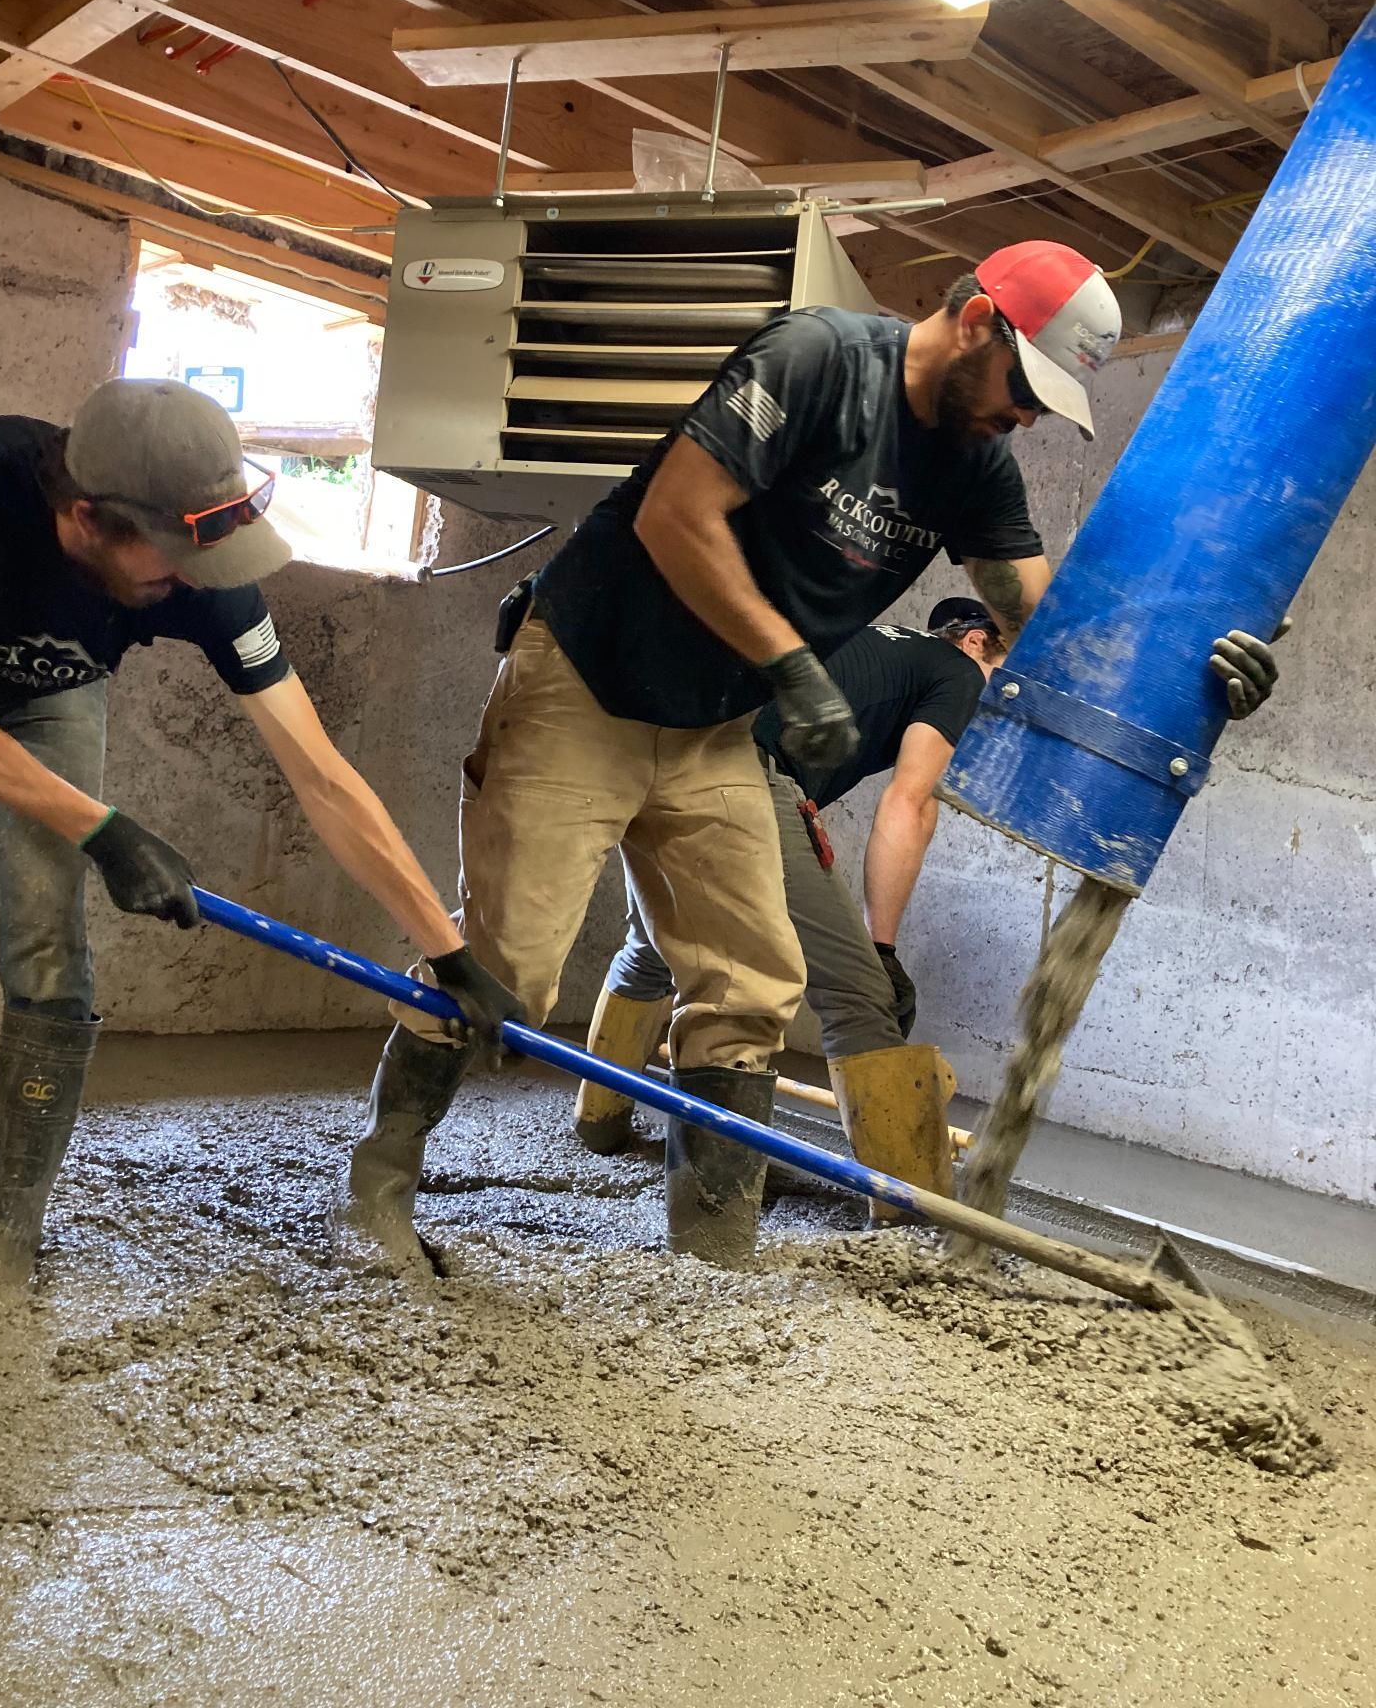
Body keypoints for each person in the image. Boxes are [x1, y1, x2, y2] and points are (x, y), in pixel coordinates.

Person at [346, 240, 1132, 1274]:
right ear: (979, 322)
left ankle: (712, 1249)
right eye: (1024, 389)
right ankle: (380, 1186)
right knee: (508, 969)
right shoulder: (819, 361)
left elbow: (1034, 612)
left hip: (717, 728)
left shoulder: (973, 463)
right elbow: (678, 513)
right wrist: (793, 666)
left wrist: (1179, 672)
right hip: (588, 682)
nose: (1024, 418)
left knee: (755, 979)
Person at [0, 378, 517, 1313]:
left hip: (49, 693)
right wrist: (106, 827)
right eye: (167, 566)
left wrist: (448, 952)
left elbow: (322, 775)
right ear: (87, 518)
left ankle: (8, 1225)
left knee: (50, 937)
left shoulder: (205, 571)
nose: (192, 586)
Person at [574, 597, 1281, 1214]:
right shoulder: (955, 675)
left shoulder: (890, 652)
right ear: (977, 643)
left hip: (667, 749)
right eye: (1013, 675)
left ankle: (598, 1123)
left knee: (654, 948)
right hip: (743, 779)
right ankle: (910, 1207)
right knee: (856, 996)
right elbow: (907, 804)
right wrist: (882, 948)